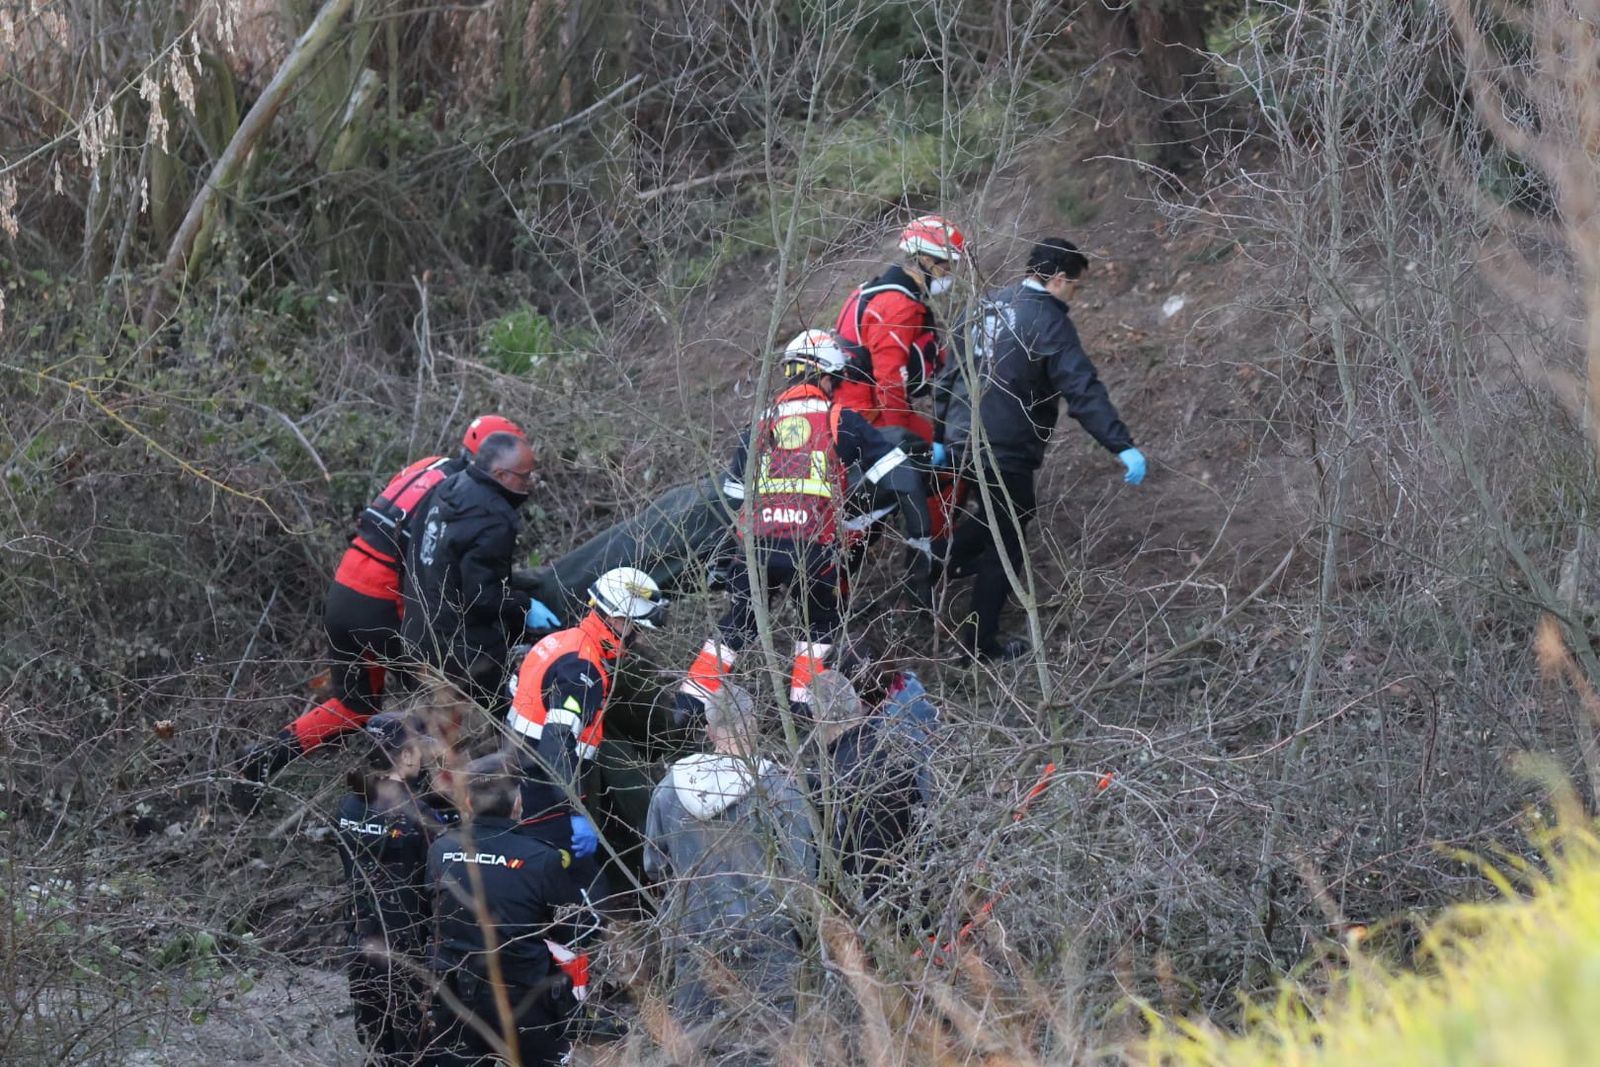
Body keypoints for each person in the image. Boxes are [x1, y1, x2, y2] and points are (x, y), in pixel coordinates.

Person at [240, 416, 559, 782]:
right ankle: (422, 798)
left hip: (346, 588)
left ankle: (266, 756)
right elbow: (438, 568)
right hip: (385, 599)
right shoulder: (462, 494)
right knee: (446, 698)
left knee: (355, 705)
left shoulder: (428, 468)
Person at [675, 330, 934, 720]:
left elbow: (731, 501)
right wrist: (920, 542)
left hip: (757, 549)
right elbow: (904, 480)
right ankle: (804, 712)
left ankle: (687, 709)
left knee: (738, 623)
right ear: (829, 378)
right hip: (813, 553)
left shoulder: (758, 429)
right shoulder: (840, 420)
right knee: (818, 628)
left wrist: (725, 558)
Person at [937, 237, 1147, 661]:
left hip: (963, 436)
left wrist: (943, 435)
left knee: (1006, 514)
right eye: (1075, 285)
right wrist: (1121, 444)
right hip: (1004, 443)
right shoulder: (1048, 321)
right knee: (1007, 537)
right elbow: (1081, 388)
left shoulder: (984, 307)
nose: (1075, 295)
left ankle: (934, 561)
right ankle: (978, 645)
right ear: (1055, 279)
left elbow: (950, 372)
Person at [644, 684, 815, 1029]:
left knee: (697, 1045)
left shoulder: (669, 788)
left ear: (708, 730)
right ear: (753, 723)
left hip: (694, 940)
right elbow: (801, 875)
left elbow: (654, 866)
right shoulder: (780, 789)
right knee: (774, 1043)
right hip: (768, 940)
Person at [426, 753, 592, 1067]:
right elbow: (573, 929)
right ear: (518, 804)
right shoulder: (542, 859)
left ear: (469, 805)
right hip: (524, 1001)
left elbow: (429, 918)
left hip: (457, 997)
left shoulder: (440, 850)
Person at [504, 566, 666, 858]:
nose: (639, 639)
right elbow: (558, 741)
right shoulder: (584, 668)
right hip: (548, 793)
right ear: (618, 620)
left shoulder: (557, 642)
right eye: (638, 628)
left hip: (524, 775)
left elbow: (515, 695)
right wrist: (573, 810)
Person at [335, 712, 448, 1064]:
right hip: (407, 946)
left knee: (375, 1042)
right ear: (407, 755)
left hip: (360, 938)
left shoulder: (349, 805)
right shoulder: (419, 815)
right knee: (416, 1044)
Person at [402, 432, 544, 707]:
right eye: (525, 477)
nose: (529, 484)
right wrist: (523, 605)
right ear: (502, 475)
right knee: (498, 719)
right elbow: (481, 598)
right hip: (461, 652)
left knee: (429, 728)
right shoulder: (494, 519)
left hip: (416, 635)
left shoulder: (447, 488)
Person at [803, 670, 936, 910]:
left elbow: (822, 865)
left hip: (875, 916)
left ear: (818, 718)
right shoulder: (899, 746)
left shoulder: (823, 783)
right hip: (929, 892)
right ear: (856, 703)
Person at [832, 215, 965, 439]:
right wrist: (899, 437)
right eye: (947, 266)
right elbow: (889, 382)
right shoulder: (896, 307)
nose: (950, 273)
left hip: (862, 408)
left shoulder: (883, 292)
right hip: (867, 416)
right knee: (949, 467)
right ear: (925, 260)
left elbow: (929, 349)